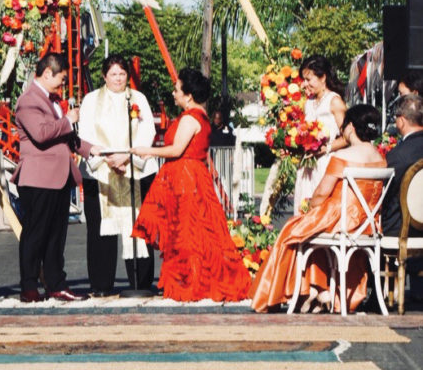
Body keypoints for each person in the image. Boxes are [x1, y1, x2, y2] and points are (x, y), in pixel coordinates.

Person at [251, 103, 387, 313]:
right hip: (367, 224)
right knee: (310, 230)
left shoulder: (344, 156)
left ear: (350, 127)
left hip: (340, 219)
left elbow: (322, 193)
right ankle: (321, 291)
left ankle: (304, 290)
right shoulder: (380, 158)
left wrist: (311, 206)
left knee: (292, 229)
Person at [131, 68, 251, 303]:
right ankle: (194, 281)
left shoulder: (189, 118)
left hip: (186, 176)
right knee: (195, 233)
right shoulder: (201, 116)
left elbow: (176, 150)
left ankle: (191, 284)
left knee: (187, 233)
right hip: (193, 176)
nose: (173, 93)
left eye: (177, 89)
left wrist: (147, 151)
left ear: (188, 95)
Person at [12, 52, 101, 302]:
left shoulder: (51, 100)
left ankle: (56, 283)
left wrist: (89, 148)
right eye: (60, 79)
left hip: (59, 176)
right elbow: (41, 134)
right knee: (35, 233)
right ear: (47, 73)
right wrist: (67, 119)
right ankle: (29, 286)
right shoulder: (28, 100)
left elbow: (64, 137)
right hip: (38, 177)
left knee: (56, 236)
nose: (62, 84)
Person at [78, 54, 157, 295]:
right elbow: (86, 131)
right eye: (113, 74)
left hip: (134, 169)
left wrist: (129, 157)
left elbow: (147, 130)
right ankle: (101, 284)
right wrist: (107, 159)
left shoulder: (138, 98)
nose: (118, 79)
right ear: (104, 76)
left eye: (122, 74)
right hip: (102, 171)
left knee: (138, 227)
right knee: (101, 229)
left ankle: (140, 281)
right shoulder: (91, 100)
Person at [382, 93, 423, 302]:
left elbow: (385, 193)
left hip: (402, 228)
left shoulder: (398, 156)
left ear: (401, 120)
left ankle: (381, 295)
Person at [293, 55, 347, 214]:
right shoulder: (308, 104)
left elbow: (348, 137)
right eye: (304, 79)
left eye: (309, 79)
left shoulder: (334, 101)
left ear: (323, 77)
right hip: (308, 166)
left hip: (326, 164)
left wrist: (326, 148)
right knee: (303, 207)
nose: (305, 84)